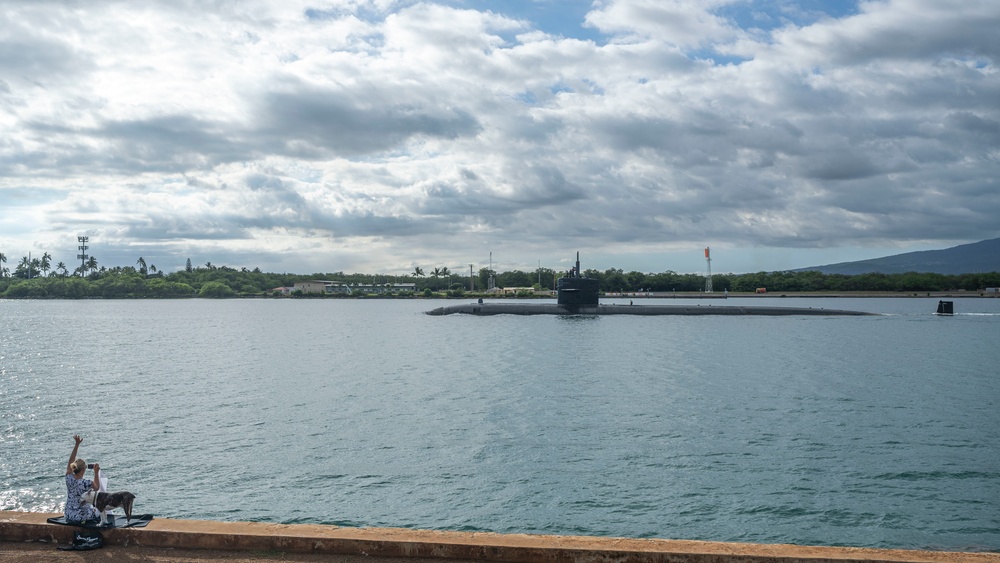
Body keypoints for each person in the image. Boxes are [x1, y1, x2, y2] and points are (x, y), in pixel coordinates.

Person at [65, 435, 101, 523]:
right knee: (99, 510)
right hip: (81, 516)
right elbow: (96, 488)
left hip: (69, 514)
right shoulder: (86, 483)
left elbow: (70, 461)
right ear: (83, 470)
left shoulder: (68, 478)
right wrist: (96, 472)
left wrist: (76, 444)